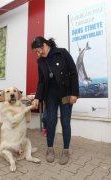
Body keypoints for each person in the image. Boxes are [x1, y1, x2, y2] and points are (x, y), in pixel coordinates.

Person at [31, 36, 79, 165]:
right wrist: (37, 97)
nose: (37, 54)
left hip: (66, 93)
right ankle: (50, 149)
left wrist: (75, 93)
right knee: (51, 121)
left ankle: (66, 151)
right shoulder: (40, 62)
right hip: (50, 95)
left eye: (38, 50)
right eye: (35, 52)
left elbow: (73, 73)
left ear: (45, 45)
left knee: (65, 121)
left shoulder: (62, 53)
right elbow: (41, 82)